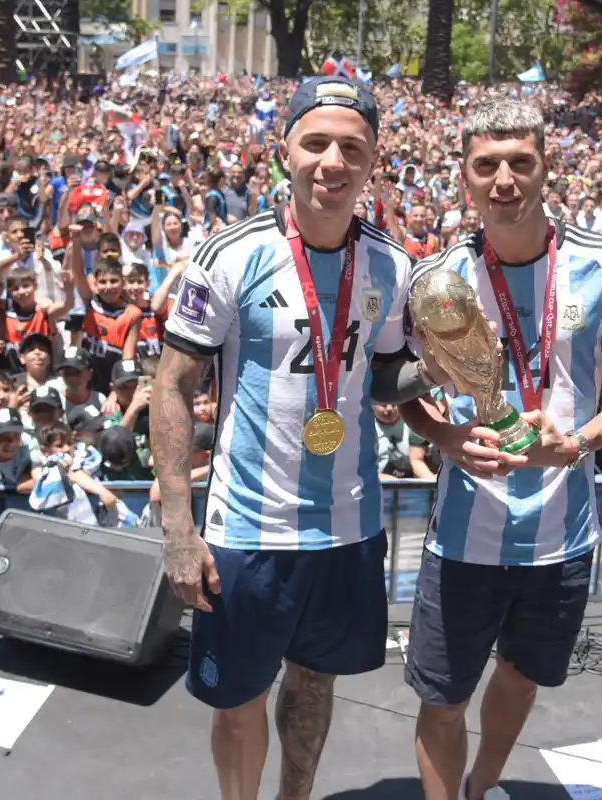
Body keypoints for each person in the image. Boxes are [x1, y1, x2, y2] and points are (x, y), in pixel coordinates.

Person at [149, 75, 411, 800]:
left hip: (348, 526)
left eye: (351, 148)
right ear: (283, 152)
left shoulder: (392, 266)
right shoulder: (228, 254)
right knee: (238, 701)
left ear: (372, 160)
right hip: (248, 528)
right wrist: (178, 524)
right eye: (316, 143)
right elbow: (172, 385)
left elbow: (385, 380)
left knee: (315, 683)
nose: (332, 162)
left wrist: (446, 372)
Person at [394, 99, 602, 800]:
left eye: (520, 162)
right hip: (464, 535)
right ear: (464, 178)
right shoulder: (435, 279)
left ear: (546, 168)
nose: (504, 179)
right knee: (443, 698)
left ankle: (481, 788)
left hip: (562, 537)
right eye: (487, 165)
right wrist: (447, 435)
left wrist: (578, 441)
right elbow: (398, 389)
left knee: (521, 673)